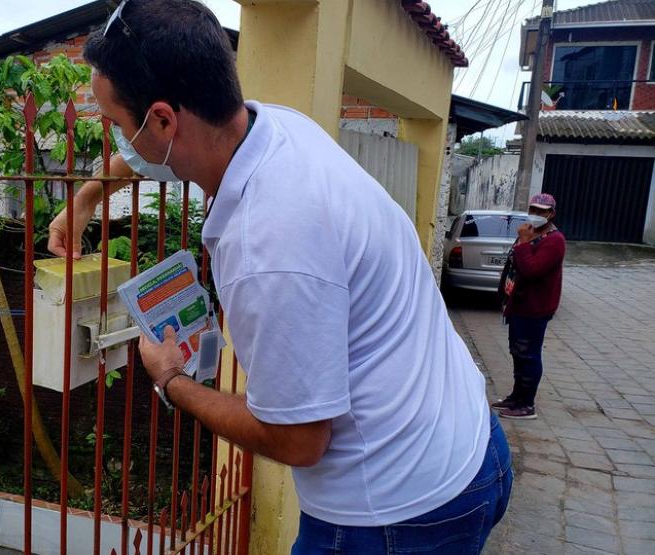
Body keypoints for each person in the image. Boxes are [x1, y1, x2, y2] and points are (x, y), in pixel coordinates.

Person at [49, 0, 512, 552]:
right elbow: (144, 154)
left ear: (165, 119)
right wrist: (86, 198)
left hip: (395, 514)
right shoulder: (274, 126)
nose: (120, 142)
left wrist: (172, 382)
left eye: (120, 126)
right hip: (470, 442)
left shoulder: (267, 245)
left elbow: (299, 441)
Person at [493, 193, 566, 420]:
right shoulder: (530, 232)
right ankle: (516, 397)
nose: (536, 215)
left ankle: (527, 404)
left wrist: (524, 242)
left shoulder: (554, 240)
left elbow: (532, 270)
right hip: (518, 305)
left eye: (542, 211)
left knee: (529, 355)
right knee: (517, 352)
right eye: (533, 209)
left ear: (551, 214)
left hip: (535, 307)